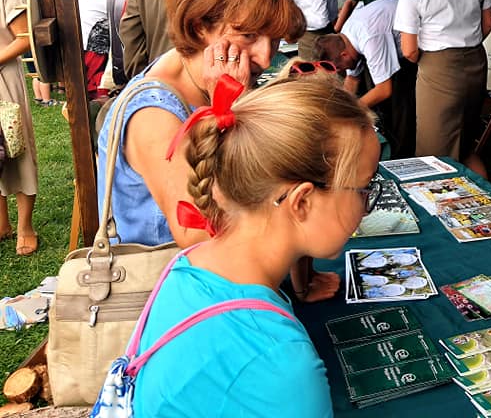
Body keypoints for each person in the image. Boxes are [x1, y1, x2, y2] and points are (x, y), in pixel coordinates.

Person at [130, 73, 379, 417]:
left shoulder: (191, 262)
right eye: (363, 188)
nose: (367, 206)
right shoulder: (283, 361)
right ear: (302, 201)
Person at [97, 0, 305, 250]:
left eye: (274, 40)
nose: (264, 55)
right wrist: (235, 107)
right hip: (175, 285)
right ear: (200, 26)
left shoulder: (196, 71)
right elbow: (198, 232)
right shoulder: (155, 114)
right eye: (248, 36)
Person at [394, 0, 491, 176]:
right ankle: (484, 206)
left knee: (433, 155)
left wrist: (434, 60)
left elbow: (409, 49)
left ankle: (446, 211)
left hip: (438, 66)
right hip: (476, 61)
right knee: (466, 146)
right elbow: (488, 24)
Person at [314, 0, 417, 157]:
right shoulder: (346, 36)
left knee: (401, 106)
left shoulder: (369, 38)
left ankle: (405, 154)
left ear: (344, 55)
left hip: (432, 36)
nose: (342, 71)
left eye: (339, 67)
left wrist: (350, 110)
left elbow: (384, 90)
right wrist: (339, 108)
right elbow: (352, 80)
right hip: (403, 36)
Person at [0, 0, 40, 255]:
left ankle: (25, 226)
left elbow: (24, 38)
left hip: (3, 78)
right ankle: (2, 224)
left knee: (17, 149)